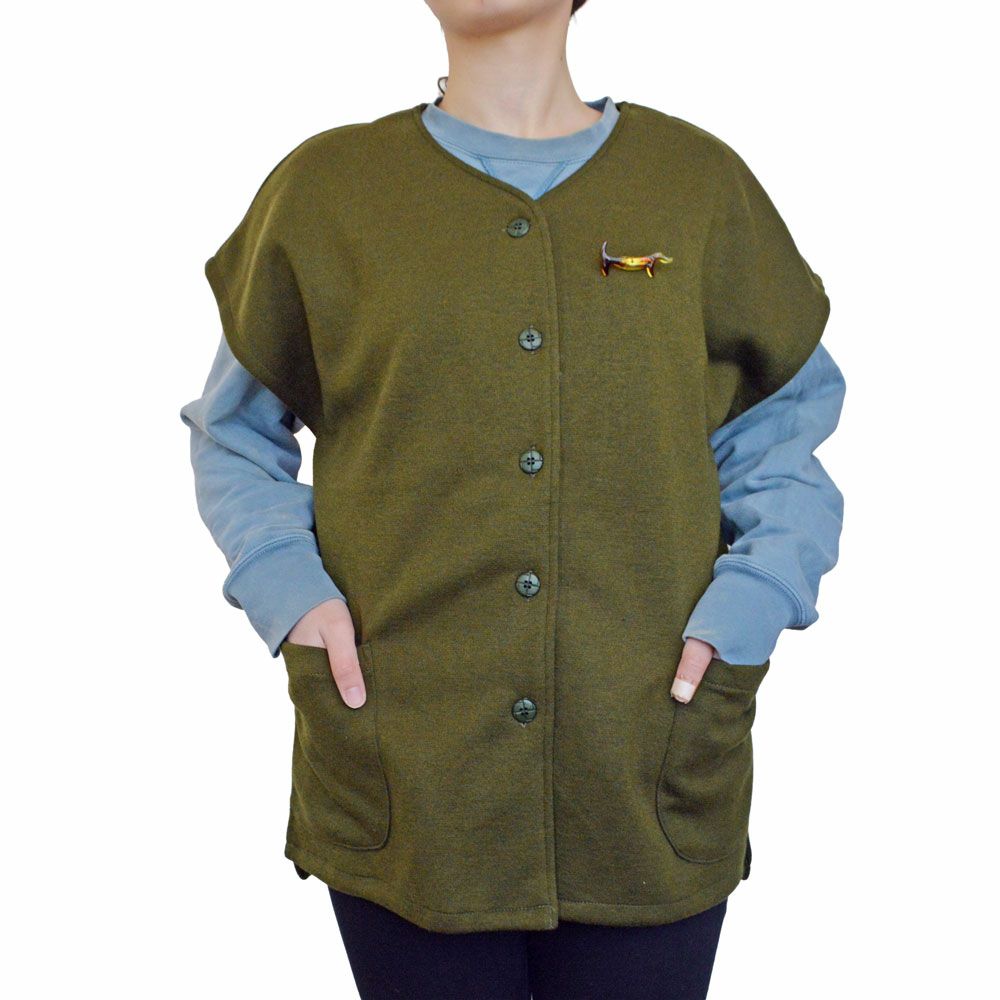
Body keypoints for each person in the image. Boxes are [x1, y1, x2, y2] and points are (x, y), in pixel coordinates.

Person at [179, 1, 845, 996]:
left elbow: (783, 426)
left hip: (650, 759)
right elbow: (233, 431)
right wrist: (290, 591)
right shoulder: (326, 191)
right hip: (407, 767)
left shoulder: (696, 186)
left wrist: (753, 602)